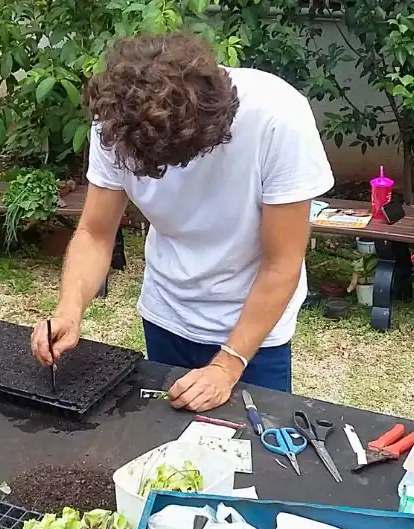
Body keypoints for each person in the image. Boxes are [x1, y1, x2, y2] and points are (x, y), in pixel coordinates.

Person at [31, 31, 334, 412]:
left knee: (254, 460)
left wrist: (227, 366)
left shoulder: (278, 119)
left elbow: (282, 264)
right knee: (166, 444)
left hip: (254, 333)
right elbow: (95, 232)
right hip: (167, 314)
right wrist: (69, 309)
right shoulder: (118, 121)